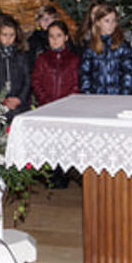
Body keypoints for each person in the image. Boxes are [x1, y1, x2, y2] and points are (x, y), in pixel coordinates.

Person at [32, 20, 80, 189]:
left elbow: (76, 83)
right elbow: (36, 81)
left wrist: (66, 102)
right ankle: (50, 174)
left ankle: (64, 173)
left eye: (58, 36)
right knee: (49, 141)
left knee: (65, 141)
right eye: (51, 36)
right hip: (47, 106)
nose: (55, 40)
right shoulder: (42, 58)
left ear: (66, 37)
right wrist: (46, 100)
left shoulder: (73, 59)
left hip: (67, 108)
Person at [79, 4, 132, 95]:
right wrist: (88, 95)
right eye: (107, 21)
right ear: (97, 22)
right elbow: (85, 74)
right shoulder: (90, 47)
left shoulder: (123, 46)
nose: (111, 25)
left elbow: (128, 73)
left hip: (118, 96)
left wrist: (124, 95)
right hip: (96, 96)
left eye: (114, 21)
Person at [0, 14, 31, 122]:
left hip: (19, 105)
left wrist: (20, 99)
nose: (8, 38)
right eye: (4, 35)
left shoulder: (21, 55)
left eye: (12, 35)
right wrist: (0, 98)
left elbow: (28, 79)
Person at [27, 5, 58, 71]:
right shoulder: (33, 39)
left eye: (50, 18)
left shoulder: (62, 36)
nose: (47, 22)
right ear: (39, 21)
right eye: (43, 19)